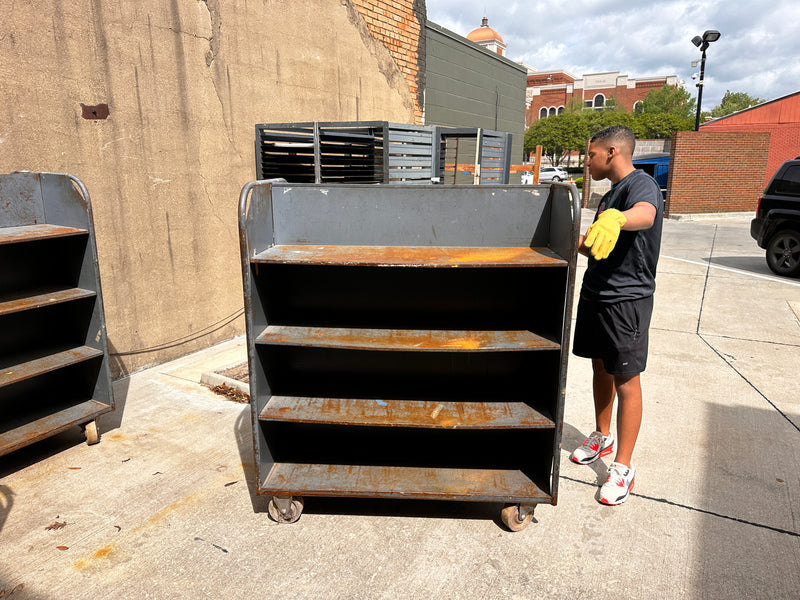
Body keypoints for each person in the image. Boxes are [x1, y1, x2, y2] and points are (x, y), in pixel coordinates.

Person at [569, 125, 664, 506]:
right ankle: (602, 436)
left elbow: (645, 214)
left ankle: (623, 467)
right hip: (596, 295)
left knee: (627, 379)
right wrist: (571, 238)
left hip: (627, 302)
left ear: (611, 152)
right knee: (600, 369)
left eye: (590, 155)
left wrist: (617, 219)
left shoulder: (640, 186)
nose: (586, 161)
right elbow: (598, 250)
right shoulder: (609, 197)